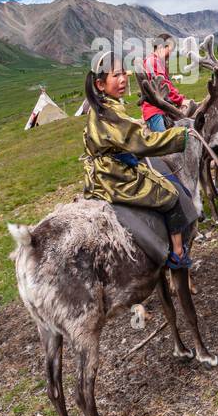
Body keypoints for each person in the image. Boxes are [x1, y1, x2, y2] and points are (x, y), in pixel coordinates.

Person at [82, 53, 192, 268]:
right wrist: (180, 135)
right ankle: (178, 254)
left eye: (124, 73)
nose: (123, 79)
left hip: (100, 173)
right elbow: (142, 142)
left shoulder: (103, 107)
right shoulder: (109, 112)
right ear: (100, 84)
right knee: (170, 195)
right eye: (116, 75)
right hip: (114, 176)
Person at [140, 33, 187, 131]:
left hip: (162, 109)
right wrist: (180, 100)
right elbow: (164, 86)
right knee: (165, 140)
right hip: (154, 111)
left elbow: (168, 84)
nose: (170, 54)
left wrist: (180, 96)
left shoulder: (158, 62)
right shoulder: (153, 61)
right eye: (170, 50)